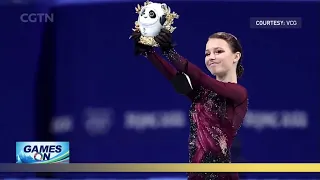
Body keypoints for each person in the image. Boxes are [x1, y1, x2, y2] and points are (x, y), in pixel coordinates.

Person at [131, 29, 248, 180]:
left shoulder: (238, 93)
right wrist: (149, 52)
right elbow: (174, 77)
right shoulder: (203, 93)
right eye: (207, 53)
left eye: (218, 51)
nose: (211, 57)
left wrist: (169, 51)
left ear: (236, 56)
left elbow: (200, 77)